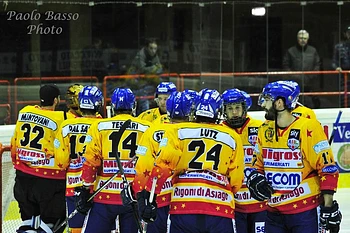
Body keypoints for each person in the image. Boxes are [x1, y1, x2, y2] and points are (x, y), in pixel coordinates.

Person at [138, 89, 244, 233]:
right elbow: (236, 181)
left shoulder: (177, 131)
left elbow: (163, 165)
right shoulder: (232, 137)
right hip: (219, 208)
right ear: (218, 111)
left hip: (183, 206)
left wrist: (149, 193)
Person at [246, 80, 342, 233]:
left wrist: (328, 207)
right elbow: (256, 165)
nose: (263, 104)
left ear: (279, 103)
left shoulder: (308, 128)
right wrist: (255, 178)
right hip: (273, 212)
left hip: (305, 211)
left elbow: (327, 168)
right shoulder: (264, 130)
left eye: (267, 100)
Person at [75, 88, 152, 233]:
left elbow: (91, 161)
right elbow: (148, 164)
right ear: (133, 106)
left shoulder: (99, 126)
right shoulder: (147, 128)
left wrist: (86, 189)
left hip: (103, 195)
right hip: (132, 195)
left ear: (113, 106)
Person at [123, 91, 193, 233]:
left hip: (158, 197)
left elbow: (143, 167)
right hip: (191, 201)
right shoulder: (199, 133)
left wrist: (137, 191)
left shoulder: (152, 130)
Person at [10, 84, 66, 233]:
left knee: (28, 223)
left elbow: (14, 144)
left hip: (23, 179)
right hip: (49, 181)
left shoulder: (24, 112)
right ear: (56, 100)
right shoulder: (61, 118)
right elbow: (63, 150)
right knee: (51, 224)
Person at [54, 85, 103, 233]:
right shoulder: (103, 126)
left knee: (76, 229)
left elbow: (61, 163)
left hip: (74, 187)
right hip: (99, 188)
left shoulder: (66, 126)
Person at [221, 89, 265, 233]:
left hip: (260, 204)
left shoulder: (260, 127)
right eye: (230, 108)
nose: (234, 112)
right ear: (224, 110)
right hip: (233, 205)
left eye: (237, 108)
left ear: (244, 108)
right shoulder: (219, 131)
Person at [332, 25, 350, 107]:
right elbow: (334, 62)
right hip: (344, 76)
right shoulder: (339, 47)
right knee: (344, 98)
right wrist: (337, 67)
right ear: (346, 34)